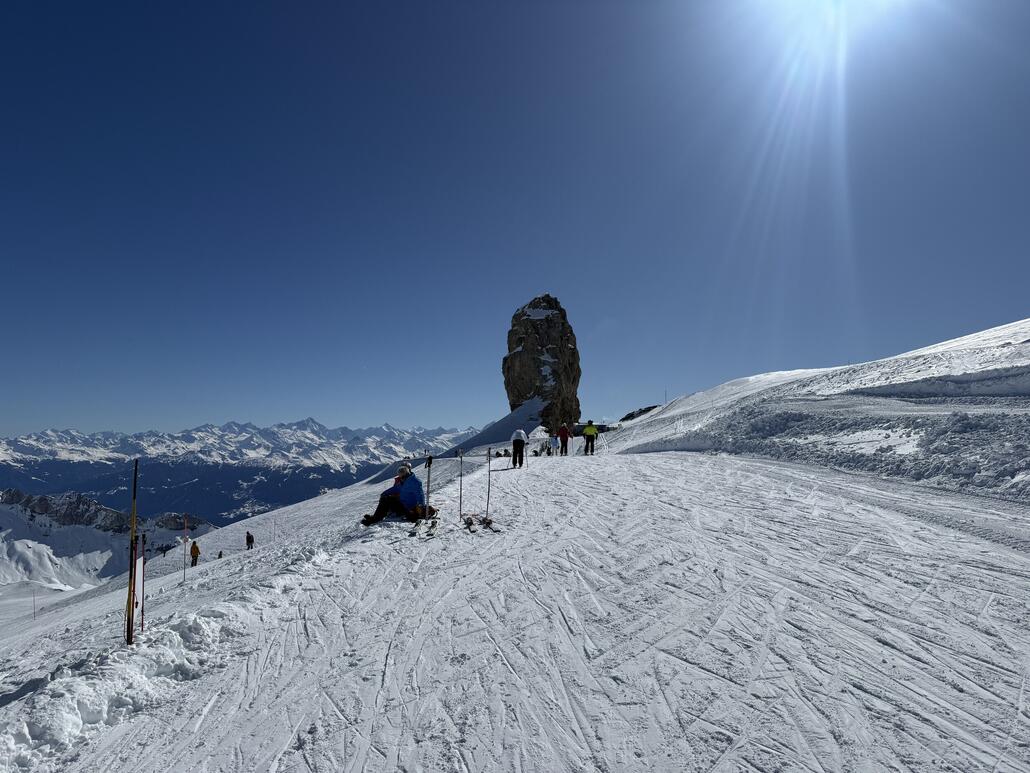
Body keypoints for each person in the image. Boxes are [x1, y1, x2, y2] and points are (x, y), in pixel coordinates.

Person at [361, 463, 425, 525]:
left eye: (401, 476)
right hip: (402, 504)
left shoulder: (415, 482)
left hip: (408, 508)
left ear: (406, 474)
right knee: (386, 498)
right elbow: (395, 489)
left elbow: (420, 495)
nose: (400, 478)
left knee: (387, 500)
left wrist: (421, 507)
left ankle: (375, 519)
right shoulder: (404, 481)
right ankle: (376, 516)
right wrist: (384, 493)